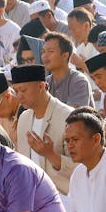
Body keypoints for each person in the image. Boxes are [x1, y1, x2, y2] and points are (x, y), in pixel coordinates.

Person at [12, 64, 74, 195]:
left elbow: (83, 167)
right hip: (31, 196)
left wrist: (50, 155)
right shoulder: (24, 118)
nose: (19, 96)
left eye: (23, 90)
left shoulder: (68, 117)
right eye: (16, 91)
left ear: (41, 86)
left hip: (63, 197)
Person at [42, 32, 94, 108]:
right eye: (43, 52)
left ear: (65, 56)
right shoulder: (47, 82)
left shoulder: (79, 81)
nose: (45, 56)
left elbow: (73, 116)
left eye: (50, 51)